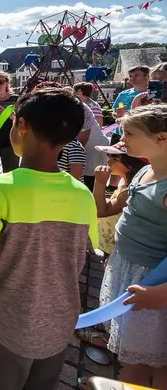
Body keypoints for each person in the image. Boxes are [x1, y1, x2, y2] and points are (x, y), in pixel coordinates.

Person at [0, 88, 97, 390]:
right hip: (59, 325)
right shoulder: (82, 193)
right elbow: (75, 258)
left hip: (5, 326)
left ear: (22, 126)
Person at [98, 104, 167, 388]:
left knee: (156, 362)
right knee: (138, 357)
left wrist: (161, 292)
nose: (122, 140)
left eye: (129, 133)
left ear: (161, 138)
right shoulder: (144, 172)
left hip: (152, 282)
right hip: (129, 268)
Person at [93, 142, 147, 261]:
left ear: (131, 164)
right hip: (108, 244)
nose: (109, 161)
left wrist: (100, 183)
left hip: (113, 248)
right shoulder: (123, 182)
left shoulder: (129, 191)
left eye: (115, 158)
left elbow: (101, 210)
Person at [111, 66, 150, 144]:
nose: (132, 78)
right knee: (114, 156)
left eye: (136, 75)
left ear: (147, 76)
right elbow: (114, 113)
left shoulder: (152, 94)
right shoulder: (123, 94)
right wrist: (118, 115)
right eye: (130, 76)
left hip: (139, 134)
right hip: (119, 132)